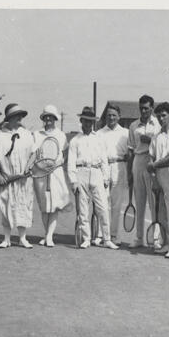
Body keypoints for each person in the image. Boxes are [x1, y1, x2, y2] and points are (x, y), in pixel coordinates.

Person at [67, 106, 119, 250]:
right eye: (86, 121)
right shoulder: (75, 140)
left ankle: (107, 239)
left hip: (96, 173)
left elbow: (104, 160)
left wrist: (105, 178)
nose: (88, 124)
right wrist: (73, 181)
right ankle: (86, 239)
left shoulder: (99, 139)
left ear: (94, 122)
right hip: (81, 172)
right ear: (81, 121)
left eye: (91, 121)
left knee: (103, 207)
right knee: (83, 209)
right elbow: (71, 162)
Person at [0, 103, 36, 249]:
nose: (20, 118)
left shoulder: (27, 134)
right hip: (7, 178)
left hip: (23, 179)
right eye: (16, 116)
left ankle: (22, 238)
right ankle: (6, 239)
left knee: (23, 206)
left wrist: (28, 168)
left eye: (21, 116)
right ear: (9, 118)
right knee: (6, 206)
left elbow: (33, 153)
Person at [146, 102, 169, 258]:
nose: (161, 118)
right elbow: (150, 158)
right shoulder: (156, 136)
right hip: (159, 177)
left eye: (164, 115)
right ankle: (166, 242)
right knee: (161, 214)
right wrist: (154, 178)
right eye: (159, 116)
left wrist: (153, 165)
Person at [33, 105, 71, 247]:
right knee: (44, 206)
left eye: (51, 116)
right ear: (43, 118)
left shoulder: (61, 135)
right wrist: (41, 165)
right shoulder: (37, 134)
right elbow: (34, 154)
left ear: (55, 118)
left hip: (56, 173)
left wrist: (56, 164)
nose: (48, 119)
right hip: (40, 172)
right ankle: (47, 234)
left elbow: (65, 154)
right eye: (46, 116)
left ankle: (49, 237)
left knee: (54, 205)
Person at [127, 94, 161, 248]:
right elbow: (131, 150)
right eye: (141, 108)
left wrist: (150, 141)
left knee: (154, 203)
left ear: (152, 108)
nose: (143, 111)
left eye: (146, 108)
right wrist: (129, 172)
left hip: (153, 162)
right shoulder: (133, 126)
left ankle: (155, 239)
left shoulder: (158, 124)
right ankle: (139, 237)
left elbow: (162, 144)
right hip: (138, 161)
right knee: (139, 202)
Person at [96, 103, 130, 245]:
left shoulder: (126, 133)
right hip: (102, 168)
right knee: (102, 203)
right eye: (109, 115)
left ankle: (114, 235)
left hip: (120, 167)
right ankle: (99, 235)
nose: (111, 118)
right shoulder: (98, 133)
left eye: (114, 115)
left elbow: (130, 154)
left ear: (119, 117)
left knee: (116, 205)